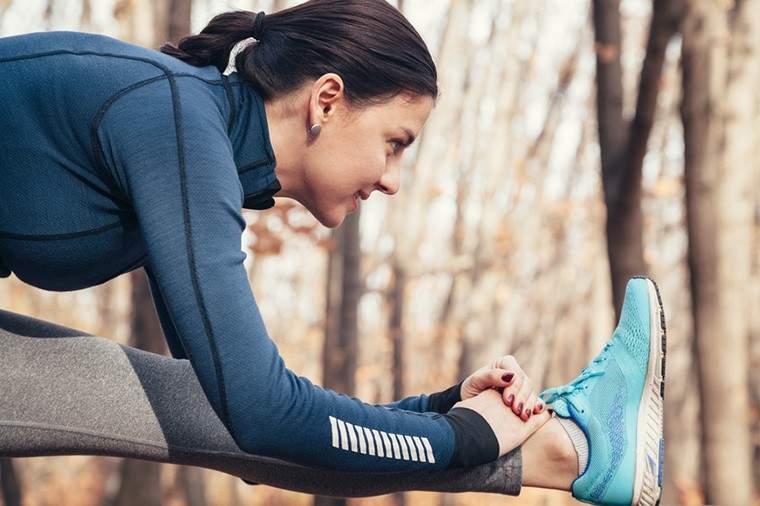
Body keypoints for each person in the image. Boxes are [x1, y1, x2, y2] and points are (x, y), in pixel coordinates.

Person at [0, 0, 665, 504]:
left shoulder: (197, 141)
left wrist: (439, 410)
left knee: (195, 401)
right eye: (395, 142)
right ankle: (573, 450)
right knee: (159, 398)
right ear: (326, 99)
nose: (393, 179)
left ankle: (574, 451)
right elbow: (259, 412)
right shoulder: (174, 121)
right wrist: (466, 436)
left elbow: (235, 402)